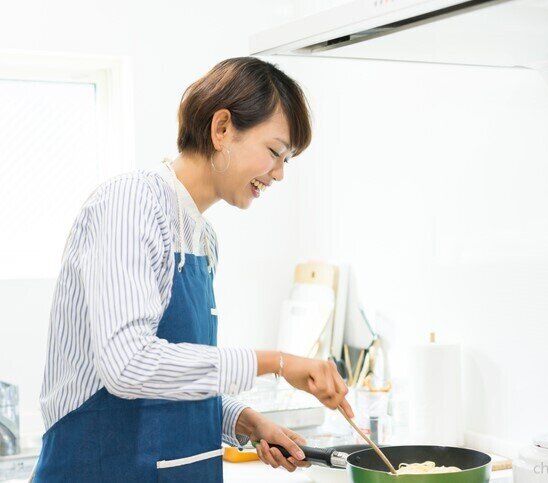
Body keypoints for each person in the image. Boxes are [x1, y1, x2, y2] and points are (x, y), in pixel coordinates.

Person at [34, 57, 352, 482]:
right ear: (222, 129)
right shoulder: (130, 203)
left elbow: (169, 380)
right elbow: (128, 366)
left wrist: (246, 421)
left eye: (286, 161)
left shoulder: (202, 239)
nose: (278, 174)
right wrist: (277, 362)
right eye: (275, 152)